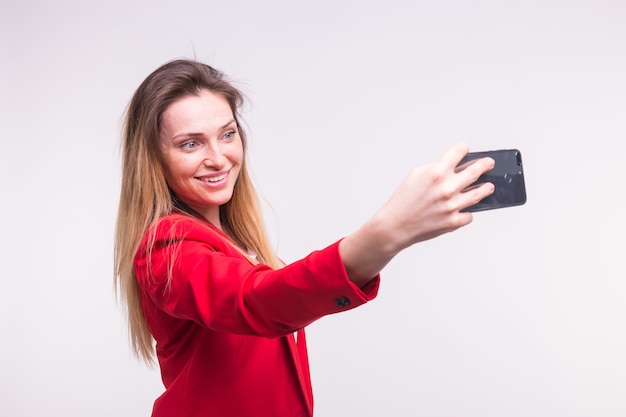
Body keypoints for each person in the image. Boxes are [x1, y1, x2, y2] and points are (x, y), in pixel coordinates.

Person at [114, 59, 495, 417]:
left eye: (227, 134)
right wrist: (389, 231)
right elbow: (261, 301)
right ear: (153, 158)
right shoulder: (166, 248)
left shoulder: (235, 242)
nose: (219, 157)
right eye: (190, 144)